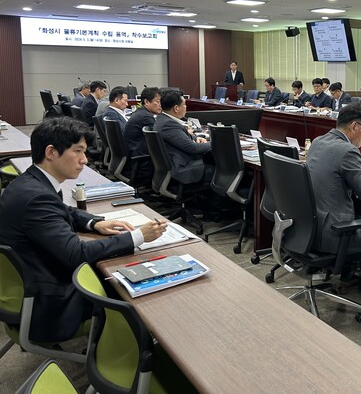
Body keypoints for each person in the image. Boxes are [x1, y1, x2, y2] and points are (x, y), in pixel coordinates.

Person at [0, 117, 167, 342]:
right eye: (78, 151)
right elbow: (75, 254)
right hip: (50, 305)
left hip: (33, 283)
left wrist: (94, 223)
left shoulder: (31, 182)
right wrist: (137, 236)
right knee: (134, 283)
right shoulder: (37, 197)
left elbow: (64, 210)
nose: (84, 160)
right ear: (51, 152)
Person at [306, 103, 361, 321]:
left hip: (309, 228)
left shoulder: (318, 141)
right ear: (355, 126)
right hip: (332, 234)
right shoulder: (347, 151)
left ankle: (348, 278)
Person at [154, 89, 213, 184]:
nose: (186, 107)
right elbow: (193, 148)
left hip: (176, 164)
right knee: (222, 169)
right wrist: (217, 143)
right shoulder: (168, 124)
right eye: (184, 104)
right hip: (183, 169)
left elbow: (179, 137)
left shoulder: (162, 119)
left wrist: (196, 138)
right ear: (176, 108)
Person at [124, 86, 161, 173]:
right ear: (146, 102)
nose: (160, 105)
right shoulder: (146, 117)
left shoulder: (141, 112)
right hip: (141, 161)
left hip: (134, 156)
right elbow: (160, 136)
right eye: (158, 101)